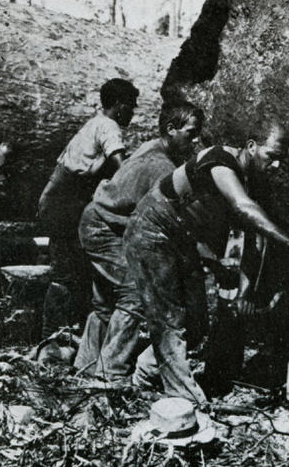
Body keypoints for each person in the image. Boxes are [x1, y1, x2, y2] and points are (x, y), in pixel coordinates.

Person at [122, 118, 289, 402]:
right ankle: (183, 398)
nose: (276, 167)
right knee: (169, 317)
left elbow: (255, 243)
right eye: (271, 157)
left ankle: (143, 379)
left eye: (281, 160)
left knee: (197, 320)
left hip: (182, 239)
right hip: (153, 229)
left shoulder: (256, 184)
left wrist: (245, 293)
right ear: (251, 147)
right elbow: (242, 207)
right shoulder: (219, 159)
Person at [73, 101, 204, 380]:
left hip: (99, 219)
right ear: (171, 130)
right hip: (104, 227)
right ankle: (110, 374)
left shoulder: (153, 146)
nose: (195, 141)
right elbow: (163, 219)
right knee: (134, 291)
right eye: (190, 133)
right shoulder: (161, 167)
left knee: (107, 298)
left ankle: (85, 364)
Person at [37, 78, 139, 344]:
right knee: (66, 274)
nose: (133, 112)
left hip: (60, 199)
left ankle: (72, 334)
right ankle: (51, 338)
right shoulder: (108, 126)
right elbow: (121, 167)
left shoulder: (94, 122)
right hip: (66, 202)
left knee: (76, 270)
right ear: (119, 105)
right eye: (131, 106)